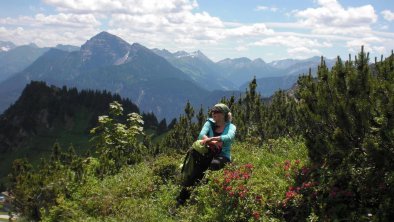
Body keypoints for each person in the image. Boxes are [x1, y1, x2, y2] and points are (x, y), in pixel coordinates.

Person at [176, 103, 236, 206]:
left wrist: (211, 139)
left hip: (223, 156)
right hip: (209, 153)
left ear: (223, 114)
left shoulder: (231, 126)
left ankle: (203, 197)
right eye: (213, 111)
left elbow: (229, 137)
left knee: (213, 166)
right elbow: (200, 135)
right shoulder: (209, 123)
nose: (213, 114)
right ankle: (180, 201)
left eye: (217, 112)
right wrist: (213, 143)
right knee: (195, 174)